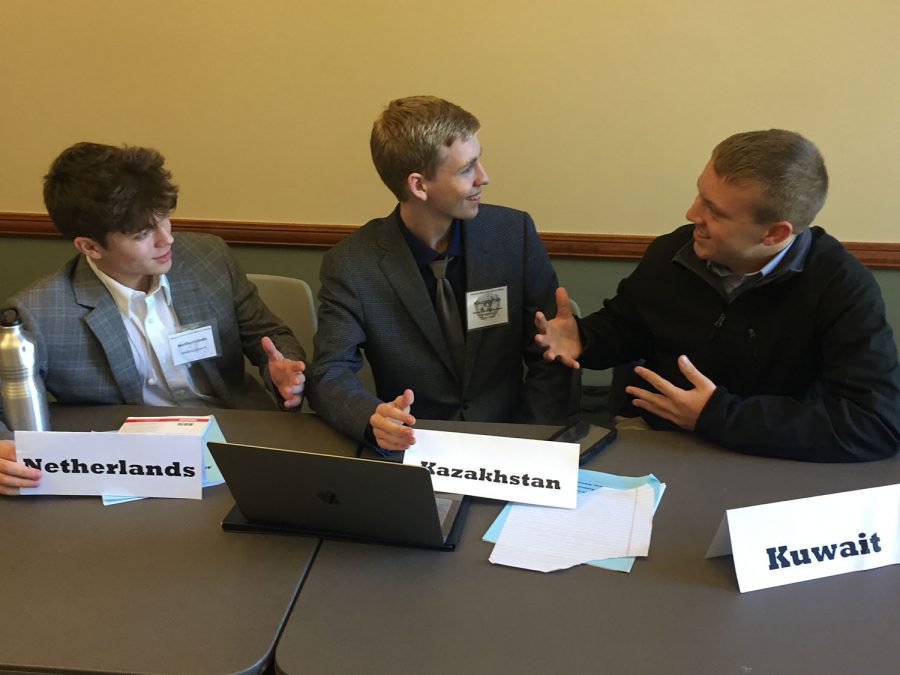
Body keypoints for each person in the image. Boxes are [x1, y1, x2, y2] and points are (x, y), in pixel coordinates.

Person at [536, 129, 900, 462]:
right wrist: (584, 339)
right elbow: (628, 327)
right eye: (700, 194)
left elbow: (875, 425)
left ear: (774, 234)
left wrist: (716, 416)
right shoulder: (674, 251)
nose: (692, 213)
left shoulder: (840, 285)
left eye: (715, 211)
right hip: (662, 440)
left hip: (779, 456)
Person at [0, 142, 306, 494]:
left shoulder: (209, 259)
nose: (167, 238)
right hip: (135, 466)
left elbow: (266, 333)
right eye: (143, 234)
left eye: (163, 218)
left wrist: (284, 371)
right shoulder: (39, 313)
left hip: (237, 435)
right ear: (90, 247)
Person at [307, 95, 574, 450]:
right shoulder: (353, 264)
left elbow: (549, 354)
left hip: (513, 437)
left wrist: (534, 441)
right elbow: (330, 372)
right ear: (419, 185)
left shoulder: (513, 234)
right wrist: (371, 419)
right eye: (467, 169)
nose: (485, 177)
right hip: (416, 443)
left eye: (479, 161)